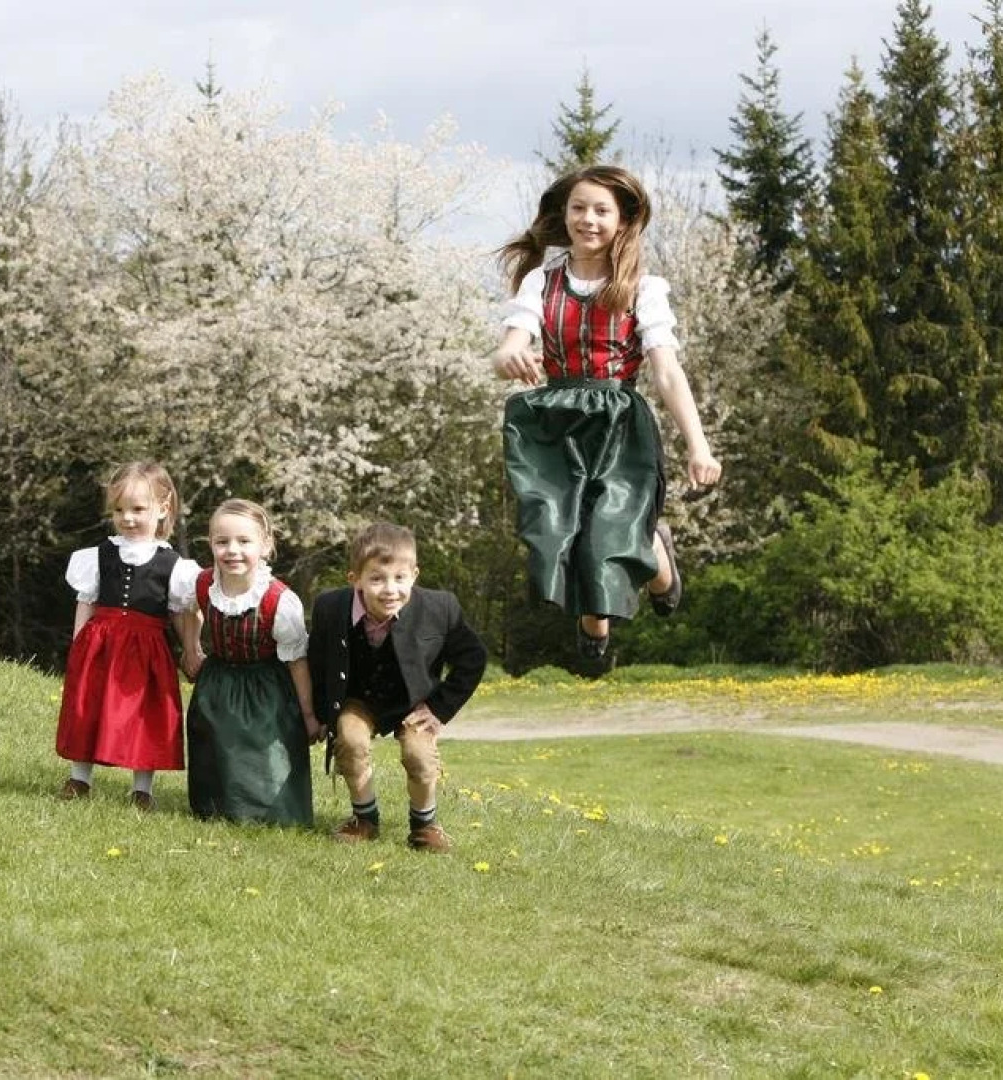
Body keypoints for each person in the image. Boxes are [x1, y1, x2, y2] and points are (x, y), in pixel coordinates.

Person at [490, 164, 722, 661]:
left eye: (601, 211)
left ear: (622, 220)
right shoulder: (540, 282)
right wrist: (509, 355)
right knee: (559, 533)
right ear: (564, 214)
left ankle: (655, 555)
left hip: (619, 426)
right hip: (556, 426)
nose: (588, 219)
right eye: (578, 208)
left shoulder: (643, 288)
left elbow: (667, 373)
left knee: (607, 534)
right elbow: (510, 345)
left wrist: (698, 446)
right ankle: (596, 629)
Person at [308, 522, 487, 853]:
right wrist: (321, 715)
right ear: (355, 579)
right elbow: (318, 663)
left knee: (419, 755)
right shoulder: (329, 608)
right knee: (350, 740)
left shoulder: (440, 608)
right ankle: (364, 819)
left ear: (414, 575)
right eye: (377, 579)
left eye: (400, 578)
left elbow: (473, 658)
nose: (390, 589)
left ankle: (424, 825)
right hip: (358, 699)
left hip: (414, 702)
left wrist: (439, 708)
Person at [55, 460, 200, 810]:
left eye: (138, 509)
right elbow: (86, 601)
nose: (128, 518)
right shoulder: (98, 555)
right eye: (119, 510)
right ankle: (79, 778)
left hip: (147, 649)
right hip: (100, 645)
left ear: (163, 508)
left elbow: (183, 612)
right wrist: (78, 645)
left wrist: (191, 649)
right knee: (88, 706)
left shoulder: (174, 566)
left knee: (145, 714)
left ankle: (142, 789)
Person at [179, 499, 322, 826]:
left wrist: (308, 714)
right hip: (218, 680)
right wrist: (191, 649)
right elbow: (190, 610)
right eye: (222, 541)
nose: (233, 550)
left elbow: (297, 661)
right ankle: (215, 806)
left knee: (264, 749)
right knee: (216, 743)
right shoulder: (203, 583)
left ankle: (270, 812)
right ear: (211, 543)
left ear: (265, 545)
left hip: (265, 687)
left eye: (244, 541)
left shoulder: (278, 600)